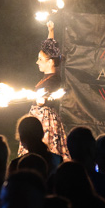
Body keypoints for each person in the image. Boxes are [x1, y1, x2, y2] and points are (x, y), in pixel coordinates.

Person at [22, 20, 70, 161]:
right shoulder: (47, 77)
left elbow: (45, 99)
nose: (37, 62)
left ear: (50, 62)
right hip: (38, 117)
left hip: (45, 121)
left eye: (40, 59)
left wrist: (41, 99)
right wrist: (51, 30)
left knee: (45, 152)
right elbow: (51, 49)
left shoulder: (54, 79)